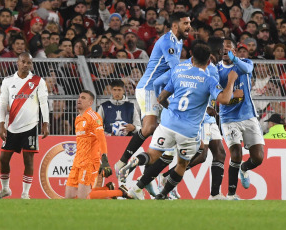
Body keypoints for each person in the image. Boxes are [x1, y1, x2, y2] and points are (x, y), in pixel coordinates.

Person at [121, 43, 240, 200]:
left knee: (153, 155)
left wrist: (170, 110)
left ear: (191, 58)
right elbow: (224, 99)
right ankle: (162, 194)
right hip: (188, 130)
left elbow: (161, 97)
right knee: (182, 164)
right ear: (208, 62)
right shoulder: (208, 79)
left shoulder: (178, 71)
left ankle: (136, 182)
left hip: (168, 124)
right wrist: (231, 81)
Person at [114, 11, 191, 178]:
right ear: (175, 25)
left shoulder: (179, 41)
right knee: (149, 128)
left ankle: (146, 179)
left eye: (189, 23)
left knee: (167, 136)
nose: (189, 27)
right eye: (185, 23)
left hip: (161, 90)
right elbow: (175, 70)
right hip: (149, 88)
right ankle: (122, 162)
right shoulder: (167, 41)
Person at [0, 52, 50, 199]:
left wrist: (45, 123)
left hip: (30, 126)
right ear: (17, 62)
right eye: (23, 62)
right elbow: (3, 103)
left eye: (29, 63)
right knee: (3, 158)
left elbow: (44, 103)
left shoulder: (38, 81)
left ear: (32, 64)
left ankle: (25, 193)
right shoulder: (7, 81)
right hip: (11, 126)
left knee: (28, 160)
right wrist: (1, 124)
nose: (26, 65)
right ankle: (5, 189)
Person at [218, 38, 265, 200]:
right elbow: (217, 96)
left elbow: (245, 68)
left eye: (229, 48)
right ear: (219, 51)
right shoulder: (216, 70)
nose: (226, 50)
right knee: (236, 154)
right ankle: (231, 194)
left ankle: (244, 169)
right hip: (229, 118)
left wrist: (234, 59)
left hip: (248, 116)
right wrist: (232, 95)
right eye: (223, 48)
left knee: (258, 157)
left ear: (235, 51)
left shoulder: (244, 63)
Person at [65, 90, 113, 199]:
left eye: (83, 98)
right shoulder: (77, 119)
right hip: (77, 161)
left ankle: (116, 193)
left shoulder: (94, 116)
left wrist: (104, 158)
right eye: (79, 97)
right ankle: (106, 189)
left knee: (83, 198)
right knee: (69, 196)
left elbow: (101, 138)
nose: (79, 99)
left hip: (89, 162)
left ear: (90, 102)